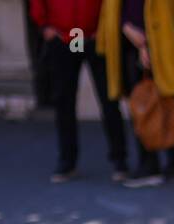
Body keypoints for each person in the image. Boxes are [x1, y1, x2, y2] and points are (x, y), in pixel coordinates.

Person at [96, 0, 174, 187]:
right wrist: (124, 28)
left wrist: (148, 44)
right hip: (126, 46)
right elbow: (111, 10)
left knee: (160, 103)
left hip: (158, 43)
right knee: (141, 105)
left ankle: (164, 158)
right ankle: (156, 160)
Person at [30, 0, 128, 182]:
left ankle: (119, 159)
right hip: (66, 36)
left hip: (94, 36)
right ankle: (67, 161)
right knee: (64, 102)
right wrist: (44, 26)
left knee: (109, 99)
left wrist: (106, 26)